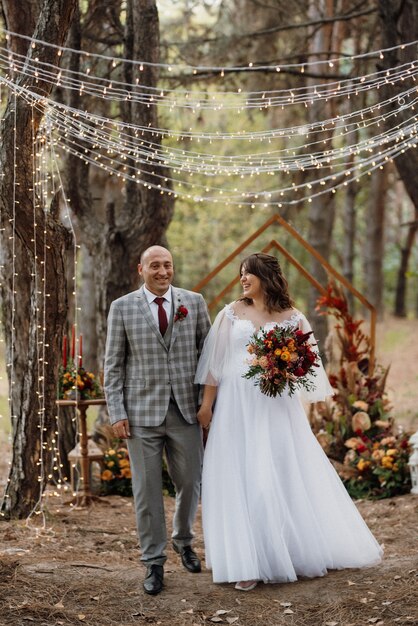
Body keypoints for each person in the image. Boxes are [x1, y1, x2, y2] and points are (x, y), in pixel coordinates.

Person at [196, 253, 383, 591]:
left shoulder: (293, 318)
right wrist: (207, 406)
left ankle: (288, 551)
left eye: (248, 274)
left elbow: (309, 366)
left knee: (274, 476)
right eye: (240, 275)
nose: (243, 280)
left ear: (265, 276)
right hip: (236, 408)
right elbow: (214, 365)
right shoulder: (230, 313)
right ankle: (245, 560)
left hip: (275, 406)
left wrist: (284, 369)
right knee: (239, 475)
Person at [104, 245, 211, 595]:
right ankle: (153, 561)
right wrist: (117, 412)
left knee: (191, 482)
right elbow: (113, 365)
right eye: (155, 266)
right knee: (147, 492)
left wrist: (209, 405)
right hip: (140, 416)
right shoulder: (121, 308)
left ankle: (183, 540)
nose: (162, 271)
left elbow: (209, 356)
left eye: (167, 265)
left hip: (186, 410)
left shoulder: (193, 303)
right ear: (141, 269)